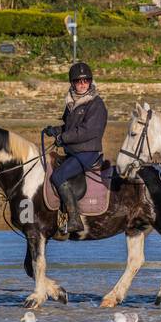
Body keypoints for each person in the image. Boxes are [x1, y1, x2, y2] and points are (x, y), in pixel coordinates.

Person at [43, 61, 108, 237]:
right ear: (72, 83)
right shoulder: (71, 102)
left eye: (86, 80)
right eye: (78, 81)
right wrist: (55, 131)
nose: (82, 84)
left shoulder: (96, 104)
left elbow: (88, 131)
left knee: (58, 176)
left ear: (90, 82)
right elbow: (69, 127)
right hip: (73, 151)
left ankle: (74, 219)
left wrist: (63, 138)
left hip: (87, 152)